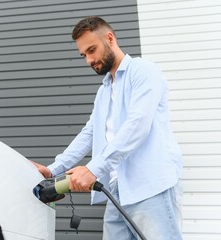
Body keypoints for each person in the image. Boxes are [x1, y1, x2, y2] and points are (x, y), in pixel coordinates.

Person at [32, 16, 183, 240]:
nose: (89, 60)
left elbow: (137, 125)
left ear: (110, 38)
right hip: (118, 190)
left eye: (92, 50)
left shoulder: (143, 71)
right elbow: (89, 133)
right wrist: (54, 169)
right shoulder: (104, 91)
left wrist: (93, 169)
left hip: (150, 188)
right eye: (84, 55)